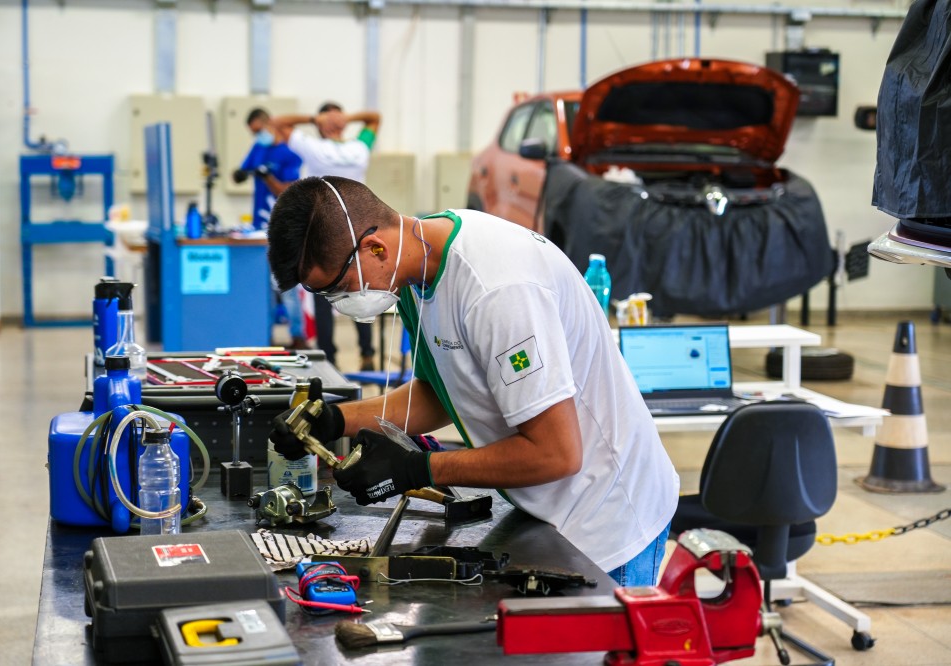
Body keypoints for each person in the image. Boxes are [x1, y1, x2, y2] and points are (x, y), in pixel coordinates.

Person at [266, 176, 679, 586]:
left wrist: (419, 469)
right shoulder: (413, 271)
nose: (340, 304)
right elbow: (440, 393)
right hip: (547, 511)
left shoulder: (497, 290)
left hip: (608, 523)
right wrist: (335, 420)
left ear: (376, 248)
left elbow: (557, 453)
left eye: (340, 288)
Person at [264, 103, 380, 370]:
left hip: (323, 233)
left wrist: (316, 119)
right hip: (357, 231)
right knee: (360, 293)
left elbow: (277, 122)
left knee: (325, 295)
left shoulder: (313, 148)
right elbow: (374, 117)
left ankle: (328, 357)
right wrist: (346, 117)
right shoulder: (359, 149)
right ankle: (367, 354)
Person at [236, 108, 308, 349]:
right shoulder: (259, 149)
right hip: (259, 228)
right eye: (253, 133)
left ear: (270, 124)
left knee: (286, 284)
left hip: (283, 228)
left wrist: (267, 177)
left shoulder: (289, 155)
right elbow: (244, 169)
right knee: (262, 287)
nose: (257, 136)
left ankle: (298, 337)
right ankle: (264, 336)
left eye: (258, 131)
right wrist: (239, 174)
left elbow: (287, 190)